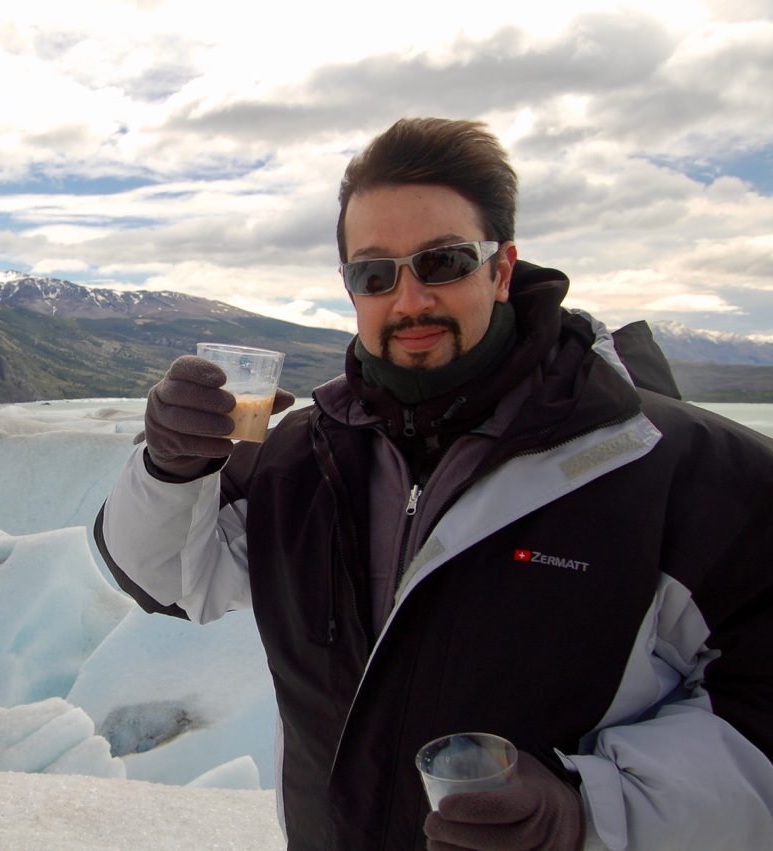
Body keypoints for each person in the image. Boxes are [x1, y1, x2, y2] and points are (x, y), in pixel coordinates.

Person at [94, 118, 773, 851]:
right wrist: (172, 467)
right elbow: (168, 576)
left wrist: (594, 814)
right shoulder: (298, 458)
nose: (409, 300)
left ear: (502, 268)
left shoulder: (684, 474)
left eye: (443, 261)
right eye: (375, 273)